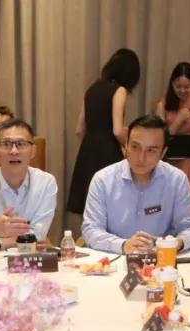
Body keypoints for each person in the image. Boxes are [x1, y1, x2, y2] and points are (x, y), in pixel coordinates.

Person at [81, 114, 190, 254]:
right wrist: (123, 245)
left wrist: (176, 243)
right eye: (135, 147)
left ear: (163, 153)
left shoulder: (177, 180)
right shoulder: (103, 180)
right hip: (114, 258)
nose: (141, 157)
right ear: (125, 146)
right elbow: (91, 230)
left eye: (151, 150)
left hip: (161, 259)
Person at [0, 118, 58, 252]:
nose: (14, 151)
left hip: (27, 260)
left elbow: (38, 235)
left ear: (33, 151)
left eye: (21, 144)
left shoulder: (46, 183)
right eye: (6, 144)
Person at [67, 48, 141, 214]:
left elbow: (79, 130)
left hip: (87, 150)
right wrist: (132, 145)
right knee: (110, 204)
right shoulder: (119, 90)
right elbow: (117, 130)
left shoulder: (92, 88)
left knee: (90, 206)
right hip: (107, 151)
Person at [155, 62, 190, 222]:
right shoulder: (163, 105)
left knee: (188, 163)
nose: (183, 90)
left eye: (187, 86)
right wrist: (178, 121)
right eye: (178, 86)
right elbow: (160, 138)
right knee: (186, 166)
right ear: (172, 84)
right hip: (167, 158)